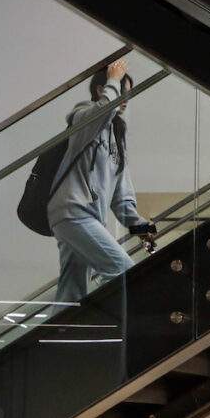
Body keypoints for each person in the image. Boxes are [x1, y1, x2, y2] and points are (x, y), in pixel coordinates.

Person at [50, 57, 156, 303]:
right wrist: (113, 80)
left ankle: (56, 337)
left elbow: (121, 196)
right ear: (102, 90)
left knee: (71, 291)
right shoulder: (82, 118)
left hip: (86, 216)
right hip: (73, 211)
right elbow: (101, 115)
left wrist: (139, 227)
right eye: (123, 92)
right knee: (122, 271)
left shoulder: (118, 135)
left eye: (128, 94)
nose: (126, 100)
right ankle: (109, 331)